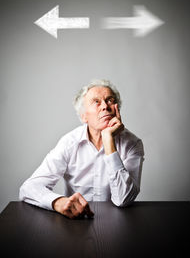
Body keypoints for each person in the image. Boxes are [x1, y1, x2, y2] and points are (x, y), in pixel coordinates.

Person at [19, 79, 144, 219]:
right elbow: (29, 188)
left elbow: (124, 199)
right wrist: (58, 203)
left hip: (119, 222)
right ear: (84, 116)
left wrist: (108, 140)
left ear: (117, 109)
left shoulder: (133, 143)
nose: (105, 106)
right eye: (96, 102)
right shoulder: (69, 142)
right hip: (76, 222)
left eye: (110, 100)